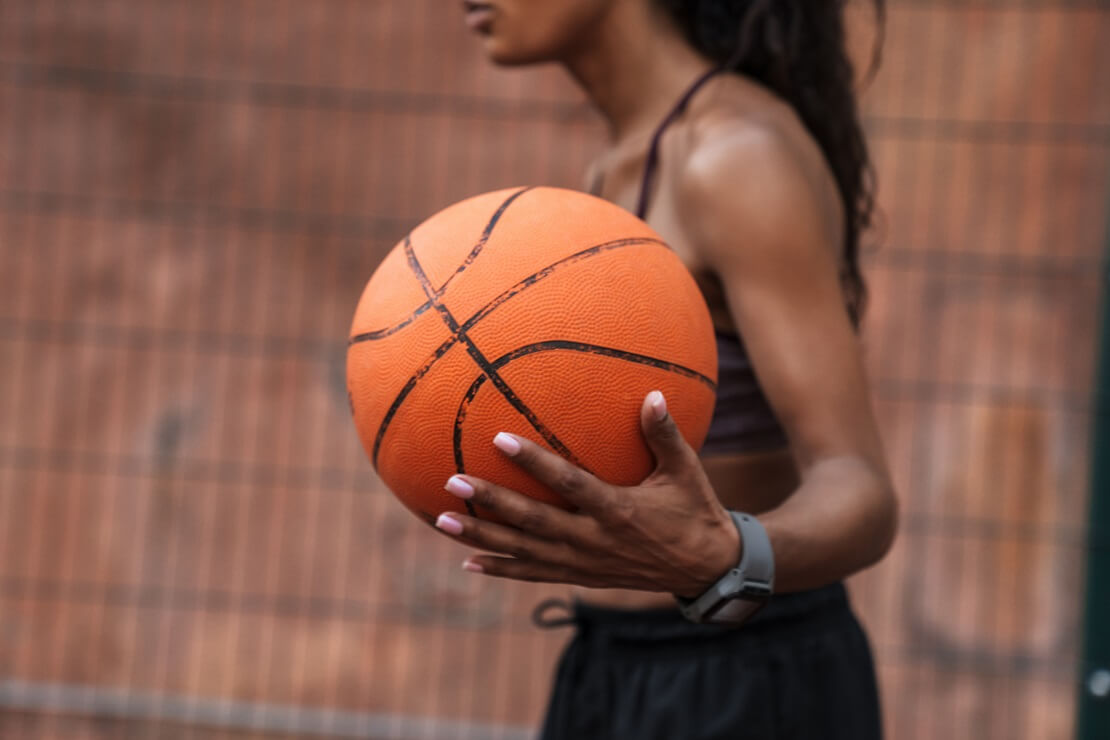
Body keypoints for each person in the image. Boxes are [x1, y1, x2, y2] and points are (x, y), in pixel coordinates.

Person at [435, 1, 897, 737]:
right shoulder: (619, 162)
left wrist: (725, 555)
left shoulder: (733, 155)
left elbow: (862, 491)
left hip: (748, 678)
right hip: (611, 661)